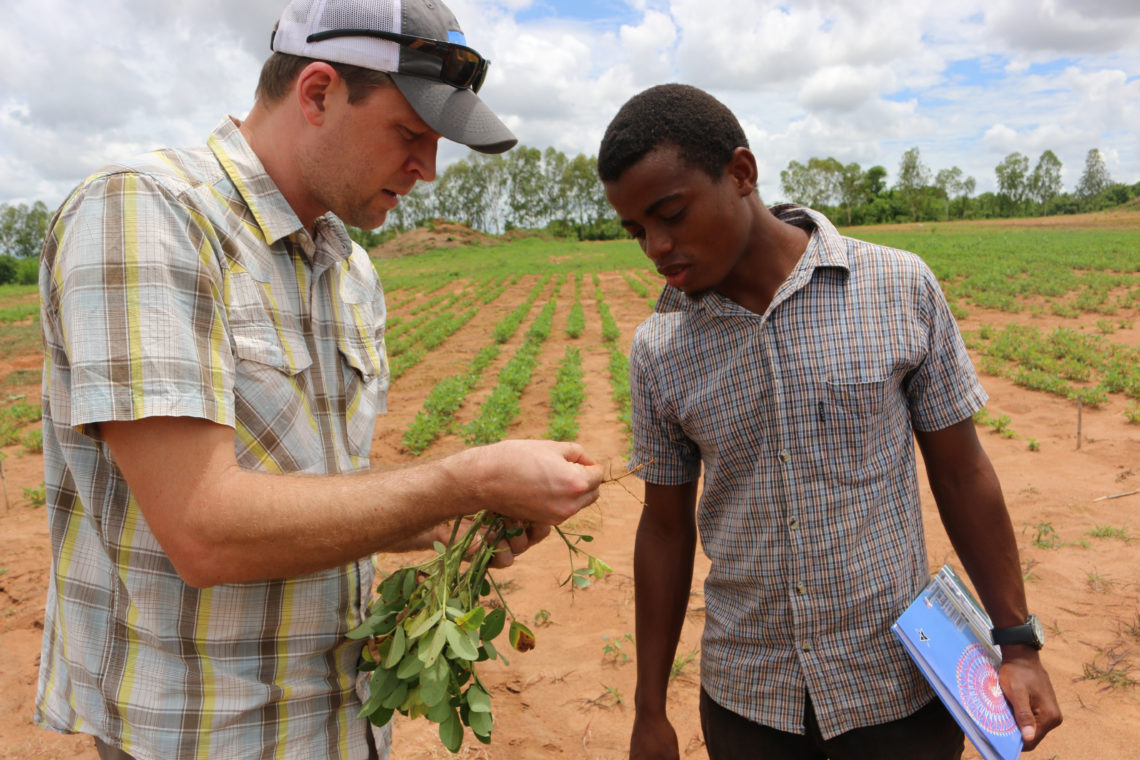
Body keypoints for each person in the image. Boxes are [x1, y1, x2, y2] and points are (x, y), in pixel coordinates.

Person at [34, 2, 603, 759]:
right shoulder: (149, 213)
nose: (428, 170)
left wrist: (457, 522)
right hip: (206, 736)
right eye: (411, 135)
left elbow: (320, 496)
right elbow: (203, 530)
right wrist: (463, 482)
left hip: (342, 724)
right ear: (318, 92)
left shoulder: (350, 270)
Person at [597, 83, 1062, 760]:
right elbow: (665, 528)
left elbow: (962, 474)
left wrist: (1017, 642)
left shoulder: (898, 287)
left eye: (670, 213)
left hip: (898, 690)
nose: (656, 246)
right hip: (747, 702)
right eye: (636, 230)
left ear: (741, 173)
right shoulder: (660, 349)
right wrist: (649, 710)